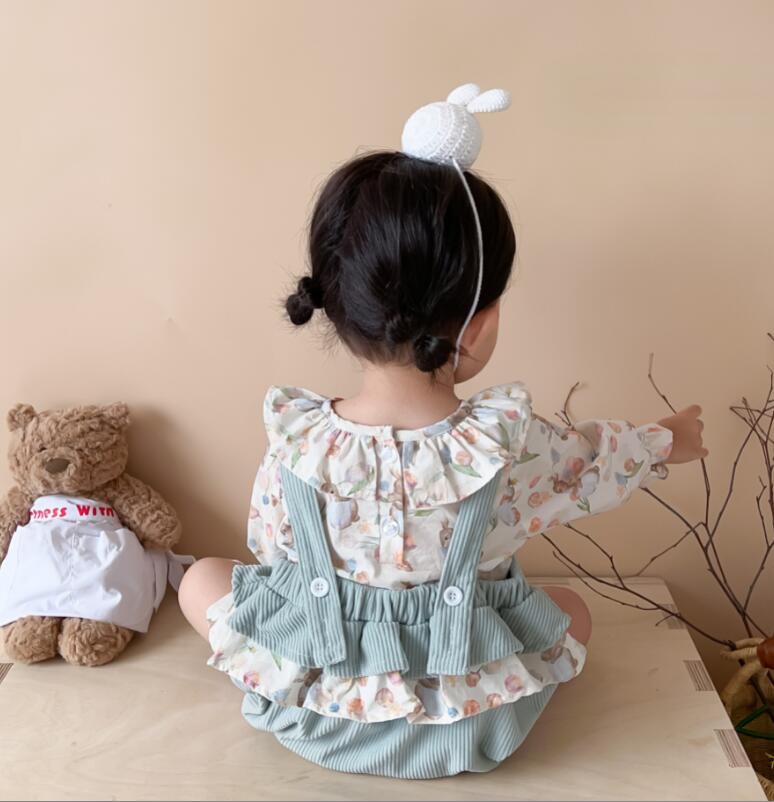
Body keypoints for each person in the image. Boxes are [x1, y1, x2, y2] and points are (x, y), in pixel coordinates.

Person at [179, 84, 706, 778]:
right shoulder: (509, 446)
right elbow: (593, 467)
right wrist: (666, 440)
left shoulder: (299, 443)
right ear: (480, 325)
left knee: (201, 580)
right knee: (571, 610)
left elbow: (272, 554)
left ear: (334, 308)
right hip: (473, 726)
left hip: (309, 716)